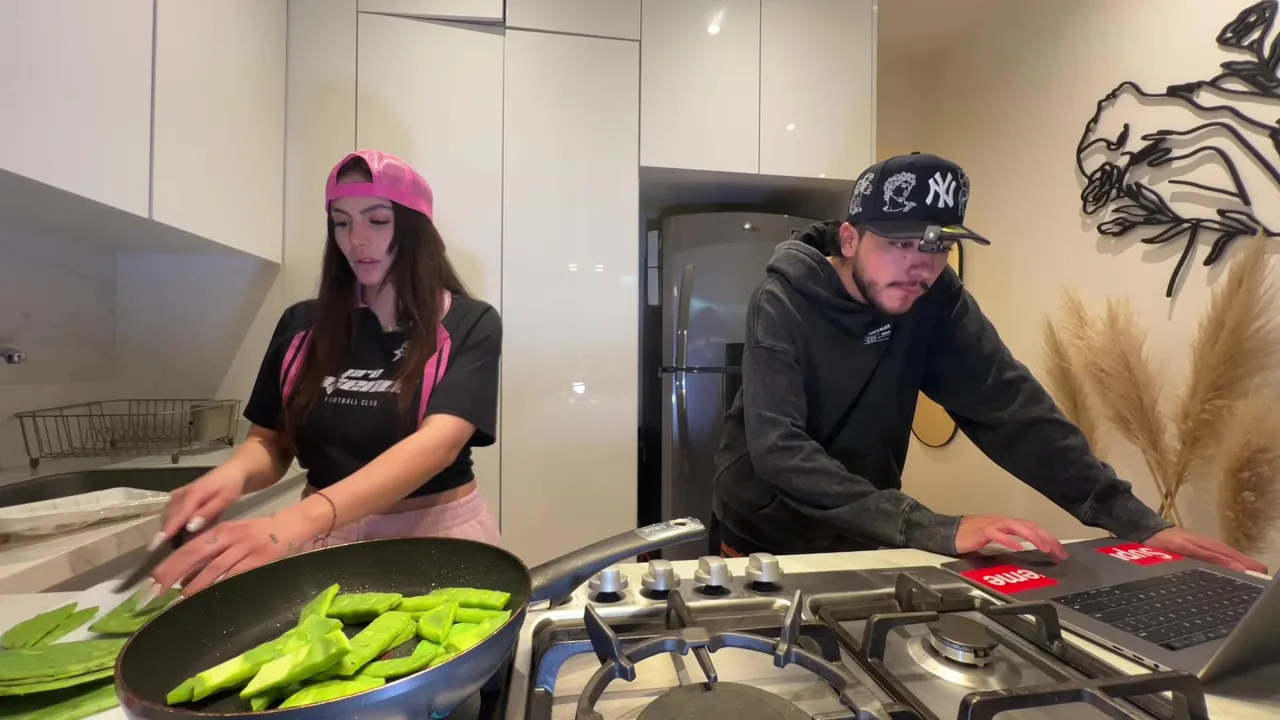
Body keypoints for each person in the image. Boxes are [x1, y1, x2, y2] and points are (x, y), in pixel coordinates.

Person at [710, 152, 1266, 574]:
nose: (921, 266)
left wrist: (1138, 523)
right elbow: (778, 448)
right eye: (901, 243)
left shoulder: (934, 300)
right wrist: (931, 527)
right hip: (763, 526)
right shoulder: (784, 299)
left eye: (938, 247)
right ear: (851, 239)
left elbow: (1011, 408)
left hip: (863, 528)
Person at [140, 150, 503, 603]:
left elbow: (436, 446)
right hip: (325, 544)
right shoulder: (301, 325)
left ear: (417, 230)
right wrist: (231, 475)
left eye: (377, 220)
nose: (356, 239)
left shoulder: (468, 323)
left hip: (436, 538)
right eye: (341, 222)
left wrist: (293, 522)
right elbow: (270, 442)